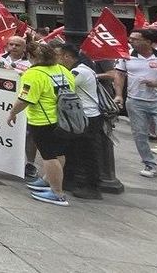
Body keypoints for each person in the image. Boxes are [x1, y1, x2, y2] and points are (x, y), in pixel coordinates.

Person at [7, 42, 76, 205]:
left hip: (43, 121)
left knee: (48, 156)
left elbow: (24, 99)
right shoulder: (63, 70)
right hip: (64, 119)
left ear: (31, 56)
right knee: (59, 154)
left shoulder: (33, 74)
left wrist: (12, 113)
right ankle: (48, 181)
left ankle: (57, 193)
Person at [116, 27, 157, 180]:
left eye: (135, 39)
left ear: (148, 41)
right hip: (135, 101)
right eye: (131, 38)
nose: (131, 41)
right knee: (140, 134)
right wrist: (118, 95)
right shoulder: (126, 56)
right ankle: (149, 164)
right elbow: (119, 75)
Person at [57, 44, 104, 199]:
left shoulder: (79, 72)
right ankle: (70, 180)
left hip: (87, 117)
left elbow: (61, 88)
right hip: (80, 116)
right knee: (73, 149)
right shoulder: (80, 69)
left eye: (58, 56)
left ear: (66, 56)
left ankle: (92, 186)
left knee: (87, 152)